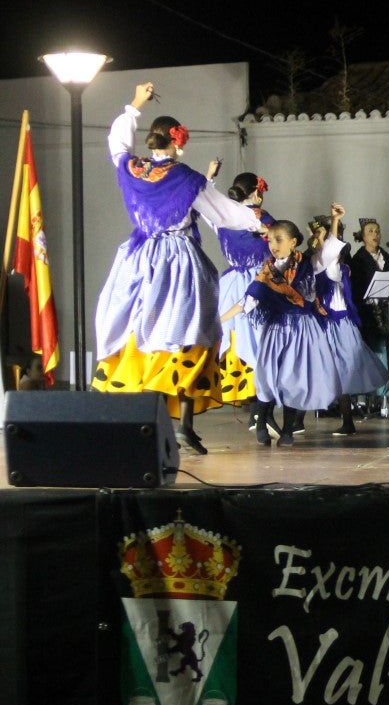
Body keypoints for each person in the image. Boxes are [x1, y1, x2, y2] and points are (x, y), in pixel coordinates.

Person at [93, 82, 265, 455]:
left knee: (139, 332)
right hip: (179, 263)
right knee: (190, 334)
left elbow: (117, 145)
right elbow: (221, 211)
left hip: (139, 260)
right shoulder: (186, 177)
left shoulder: (134, 168)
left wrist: (134, 105)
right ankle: (184, 425)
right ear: (176, 142)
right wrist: (257, 223)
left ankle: (142, 424)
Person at [243, 219, 344, 447]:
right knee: (269, 375)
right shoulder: (268, 269)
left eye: (279, 240)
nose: (273, 245)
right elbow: (252, 297)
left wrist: (335, 221)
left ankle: (288, 429)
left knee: (296, 377)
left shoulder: (309, 264)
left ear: (293, 242)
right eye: (270, 240)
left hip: (302, 329)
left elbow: (329, 252)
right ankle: (261, 421)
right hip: (277, 328)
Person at [311, 206, 389, 436]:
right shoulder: (317, 260)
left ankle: (347, 420)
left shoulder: (337, 263)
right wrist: (332, 224)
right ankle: (297, 420)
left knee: (342, 370)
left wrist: (334, 223)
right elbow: (327, 254)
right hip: (326, 321)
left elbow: (332, 254)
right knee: (319, 368)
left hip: (342, 320)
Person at [215, 172, 272, 431]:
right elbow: (276, 240)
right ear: (256, 192)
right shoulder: (260, 217)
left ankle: (253, 407)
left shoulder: (223, 218)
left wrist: (209, 180)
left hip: (230, 283)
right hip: (257, 280)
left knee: (239, 339)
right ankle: (260, 410)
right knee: (264, 344)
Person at [347, 217, 389, 415]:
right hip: (367, 312)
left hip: (385, 312)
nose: (375, 235)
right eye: (370, 231)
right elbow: (356, 288)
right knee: (369, 354)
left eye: (377, 231)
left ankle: (385, 398)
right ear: (362, 236)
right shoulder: (358, 259)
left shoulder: (386, 256)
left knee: (387, 354)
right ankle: (363, 399)